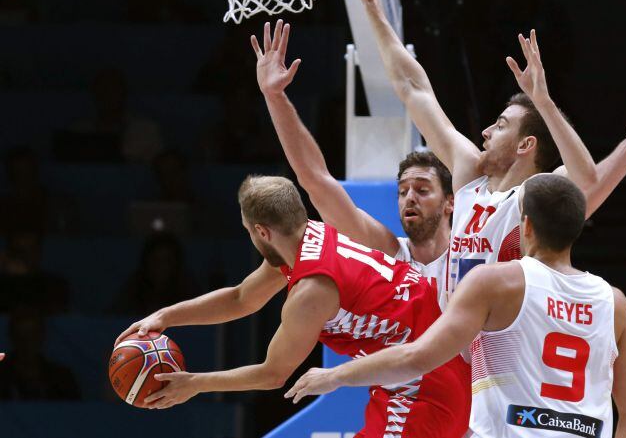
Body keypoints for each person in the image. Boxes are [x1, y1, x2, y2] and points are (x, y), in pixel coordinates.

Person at [355, 0, 626, 297]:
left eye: (502, 124)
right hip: (451, 337)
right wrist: (373, 13)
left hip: (500, 344)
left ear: (526, 144)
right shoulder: (469, 174)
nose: (487, 131)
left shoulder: (536, 196)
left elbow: (587, 180)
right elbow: (414, 89)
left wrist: (545, 102)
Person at [286, 174, 626, 438]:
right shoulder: (614, 302)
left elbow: (417, 358)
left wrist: (333, 376)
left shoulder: (497, 282)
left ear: (525, 227)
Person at [115, 175, 471, 438]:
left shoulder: (311, 290)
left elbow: (274, 374)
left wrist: (194, 384)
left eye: (248, 231)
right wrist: (166, 315)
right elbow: (242, 297)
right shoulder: (309, 236)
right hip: (418, 372)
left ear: (262, 232)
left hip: (424, 389)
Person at [252, 20, 454, 308]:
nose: (409, 197)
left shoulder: (470, 256)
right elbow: (316, 179)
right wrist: (275, 97)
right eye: (403, 190)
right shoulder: (389, 253)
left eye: (422, 190)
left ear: (450, 203)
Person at [0, 307, 80, 400]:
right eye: (21, 337)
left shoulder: (62, 379)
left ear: (42, 337)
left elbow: (75, 411)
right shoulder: (2, 376)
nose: (27, 343)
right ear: (12, 338)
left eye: (33, 336)